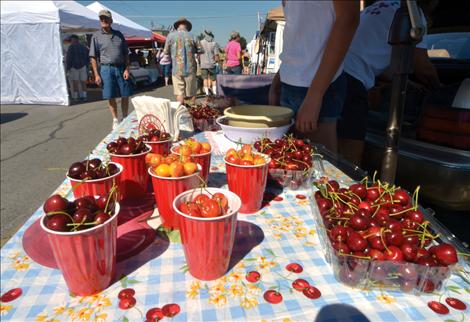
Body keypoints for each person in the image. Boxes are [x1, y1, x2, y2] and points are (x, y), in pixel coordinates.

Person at [337, 0, 440, 165]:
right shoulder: (414, 14)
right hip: (351, 80)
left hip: (334, 72)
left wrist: (408, 85)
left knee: (332, 147)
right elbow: (423, 68)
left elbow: (381, 64)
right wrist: (439, 88)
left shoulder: (378, 7)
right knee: (351, 157)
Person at [268, 1, 359, 153]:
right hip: (289, 84)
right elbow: (297, 34)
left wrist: (315, 96)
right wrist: (278, 80)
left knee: (321, 167)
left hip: (318, 86)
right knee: (288, 164)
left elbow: (348, 18)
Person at [89, 9, 132, 130]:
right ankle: (115, 119)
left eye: (106, 18)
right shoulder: (96, 37)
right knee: (110, 95)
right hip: (106, 69)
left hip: (121, 68)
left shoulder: (119, 35)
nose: (103, 20)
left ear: (111, 20)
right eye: (101, 18)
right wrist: (96, 74)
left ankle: (125, 117)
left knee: (125, 94)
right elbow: (93, 57)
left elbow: (126, 54)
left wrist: (127, 69)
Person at [164, 17, 198, 104]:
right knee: (191, 92)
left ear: (178, 26)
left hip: (176, 69)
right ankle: (192, 112)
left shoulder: (170, 36)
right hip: (191, 68)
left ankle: (181, 112)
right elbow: (200, 50)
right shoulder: (193, 36)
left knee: (179, 92)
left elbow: (166, 52)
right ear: (186, 26)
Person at [66, 35, 89, 101]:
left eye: (71, 39)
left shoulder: (71, 47)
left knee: (75, 82)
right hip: (83, 66)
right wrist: (86, 65)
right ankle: (84, 96)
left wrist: (68, 67)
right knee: (83, 82)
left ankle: (76, 97)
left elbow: (69, 58)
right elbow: (88, 56)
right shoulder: (83, 46)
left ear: (74, 39)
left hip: (74, 66)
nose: (71, 41)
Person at [199, 29, 220, 95]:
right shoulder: (214, 43)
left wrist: (199, 62)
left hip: (203, 64)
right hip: (212, 64)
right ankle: (214, 92)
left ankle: (207, 93)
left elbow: (199, 54)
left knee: (205, 79)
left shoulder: (201, 42)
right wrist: (217, 62)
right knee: (213, 79)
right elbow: (216, 55)